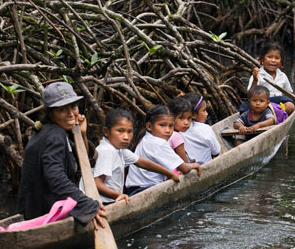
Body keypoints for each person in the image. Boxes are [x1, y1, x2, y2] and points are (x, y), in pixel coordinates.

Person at [17, 81, 107, 227]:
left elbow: (84, 162)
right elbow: (55, 177)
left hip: (34, 211)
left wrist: (81, 134)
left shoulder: (48, 131)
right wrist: (87, 205)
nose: (71, 114)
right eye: (62, 110)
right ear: (49, 112)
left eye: (73, 107)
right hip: (46, 213)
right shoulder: (55, 135)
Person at [83, 108, 181, 205]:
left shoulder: (120, 150)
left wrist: (170, 174)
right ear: (106, 132)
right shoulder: (108, 151)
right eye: (120, 131)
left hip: (109, 199)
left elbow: (143, 163)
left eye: (129, 132)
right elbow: (96, 183)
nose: (126, 137)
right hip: (100, 202)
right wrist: (117, 195)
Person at [125, 105, 202, 196]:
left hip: (133, 190)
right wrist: (195, 165)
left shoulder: (144, 138)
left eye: (171, 126)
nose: (168, 130)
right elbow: (184, 168)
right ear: (149, 126)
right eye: (162, 125)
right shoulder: (159, 143)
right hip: (146, 189)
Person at [244, 41, 295, 115]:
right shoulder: (257, 75)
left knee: (290, 106)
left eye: (277, 58)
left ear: (281, 61)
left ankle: (274, 116)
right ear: (262, 59)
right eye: (269, 57)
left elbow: (289, 94)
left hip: (278, 107)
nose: (273, 60)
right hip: (262, 106)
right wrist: (255, 80)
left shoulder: (282, 76)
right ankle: (271, 116)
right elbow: (249, 95)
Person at [181, 92, 221, 165]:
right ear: (193, 115)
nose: (207, 113)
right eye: (204, 110)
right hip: (207, 166)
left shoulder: (177, 131)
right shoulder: (205, 129)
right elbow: (216, 152)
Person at [166, 97, 192, 164]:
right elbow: (185, 163)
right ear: (171, 118)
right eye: (181, 118)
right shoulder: (176, 136)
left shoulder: (163, 132)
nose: (186, 122)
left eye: (189, 118)